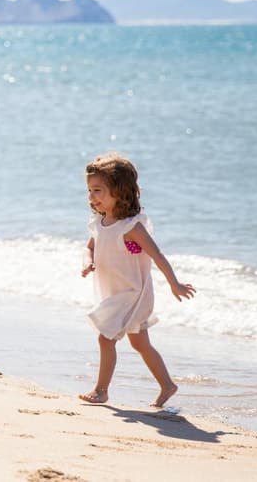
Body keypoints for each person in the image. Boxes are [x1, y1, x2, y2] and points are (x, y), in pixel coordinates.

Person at [78, 153, 195, 407]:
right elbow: (90, 246)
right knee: (140, 343)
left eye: (98, 190)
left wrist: (174, 283)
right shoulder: (99, 222)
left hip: (133, 294)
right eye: (89, 190)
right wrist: (88, 262)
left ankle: (101, 390)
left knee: (105, 337)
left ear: (120, 192)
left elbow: (158, 255)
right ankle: (167, 385)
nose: (92, 197)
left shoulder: (131, 227)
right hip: (113, 292)